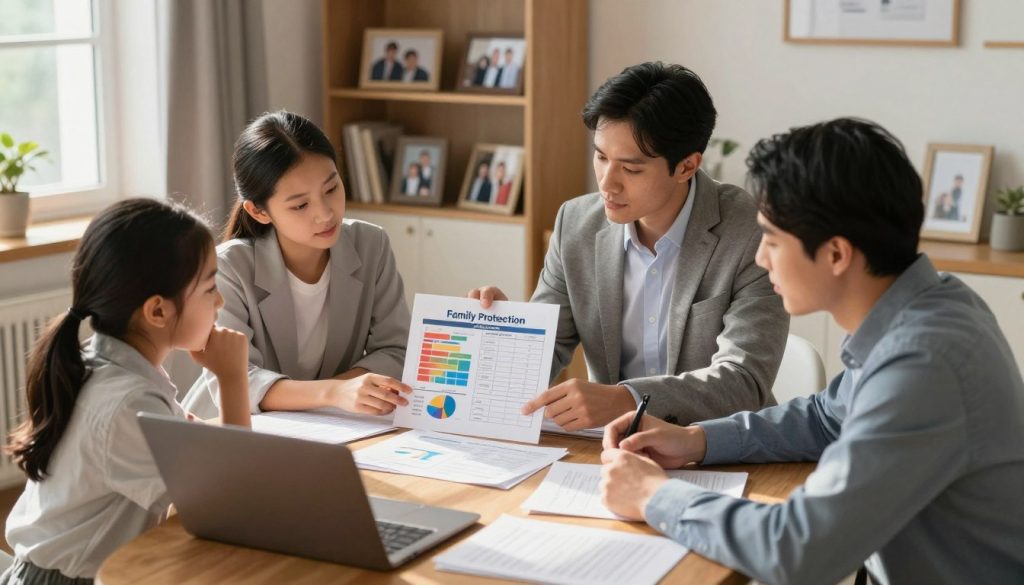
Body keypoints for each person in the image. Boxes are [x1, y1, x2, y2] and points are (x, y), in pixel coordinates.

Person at [599, 118, 1024, 585]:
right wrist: (697, 440)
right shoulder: (931, 304)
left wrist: (653, 496)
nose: (761, 259)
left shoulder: (924, 362)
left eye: (774, 241)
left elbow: (797, 550)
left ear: (837, 254)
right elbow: (827, 417)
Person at [470, 62, 788, 431]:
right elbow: (544, 351)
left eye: (631, 169)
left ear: (687, 166)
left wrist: (629, 399)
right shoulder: (575, 223)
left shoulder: (751, 232)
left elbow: (743, 381)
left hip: (717, 444)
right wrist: (505, 332)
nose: (607, 184)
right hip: (610, 445)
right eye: (601, 157)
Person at [2, 198, 252, 583]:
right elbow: (229, 510)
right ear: (157, 311)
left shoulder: (105, 366)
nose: (219, 301)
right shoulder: (127, 403)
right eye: (209, 287)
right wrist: (233, 379)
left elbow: (199, 453)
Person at [182, 111, 412, 419]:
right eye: (301, 205)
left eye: (331, 189)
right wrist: (332, 393)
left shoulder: (371, 244)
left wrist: (335, 394)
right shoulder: (228, 267)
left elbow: (397, 350)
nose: (326, 214)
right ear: (258, 211)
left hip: (338, 423)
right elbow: (236, 380)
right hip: (238, 429)